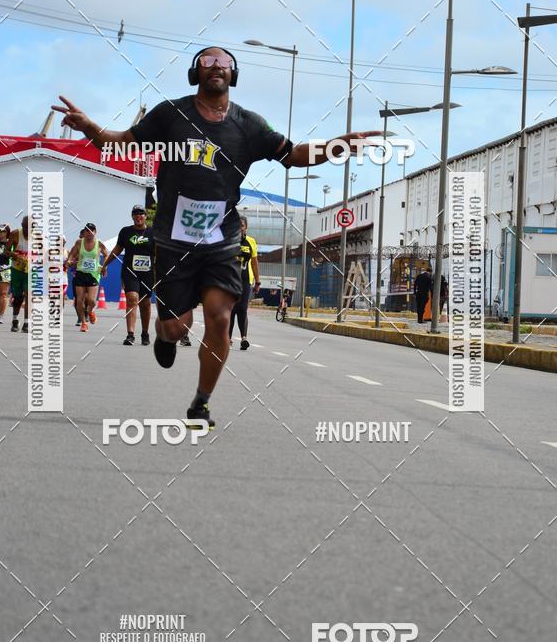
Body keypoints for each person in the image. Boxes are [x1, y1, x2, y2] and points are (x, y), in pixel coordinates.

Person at [53, 46, 378, 428]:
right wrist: (90, 126)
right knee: (178, 326)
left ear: (233, 75)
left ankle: (201, 402)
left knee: (220, 317)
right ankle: (164, 334)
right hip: (173, 241)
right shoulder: (170, 114)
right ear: (196, 73)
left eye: (224, 63)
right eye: (208, 62)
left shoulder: (249, 125)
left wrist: (336, 146)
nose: (216, 67)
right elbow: (122, 142)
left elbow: (293, 154)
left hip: (221, 239)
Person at [102, 205, 153, 346]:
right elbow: (117, 250)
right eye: (135, 214)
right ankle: (130, 334)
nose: (138, 216)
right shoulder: (126, 232)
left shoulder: (153, 232)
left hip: (148, 272)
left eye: (141, 213)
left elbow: (160, 253)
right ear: (132, 216)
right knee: (132, 298)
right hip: (130, 271)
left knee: (145, 303)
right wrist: (105, 264)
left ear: (145, 216)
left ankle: (145, 333)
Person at [67, 223, 108, 332]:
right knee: (79, 300)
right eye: (87, 231)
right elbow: (72, 254)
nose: (89, 233)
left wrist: (105, 266)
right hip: (80, 273)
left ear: (95, 232)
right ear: (84, 232)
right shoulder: (79, 243)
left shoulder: (99, 244)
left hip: (94, 274)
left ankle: (90, 311)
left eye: (92, 231)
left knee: (91, 300)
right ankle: (84, 323)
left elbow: (106, 254)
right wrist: (69, 260)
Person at [229, 216, 260, 349]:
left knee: (242, 309)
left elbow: (254, 262)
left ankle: (244, 339)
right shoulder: (229, 240)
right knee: (231, 309)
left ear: (245, 227)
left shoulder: (251, 242)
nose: (239, 227)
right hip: (230, 280)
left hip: (246, 280)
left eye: (242, 225)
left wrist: (257, 281)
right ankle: (227, 338)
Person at [8, 215, 29, 332]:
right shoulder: (15, 234)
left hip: (30, 270)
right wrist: (13, 255)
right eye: (26, 227)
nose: (28, 230)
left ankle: (27, 323)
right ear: (22, 226)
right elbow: (5, 250)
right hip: (16, 270)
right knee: (18, 298)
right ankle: (15, 320)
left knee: (29, 295)